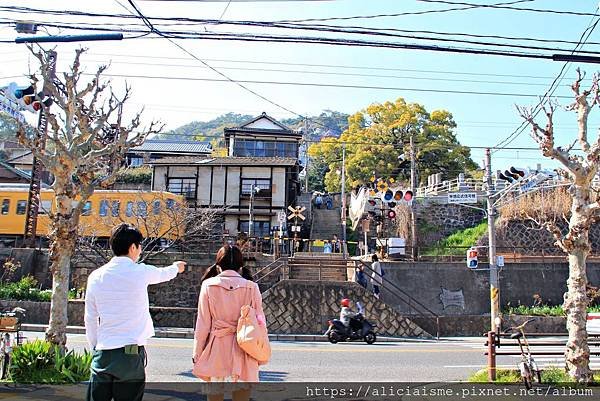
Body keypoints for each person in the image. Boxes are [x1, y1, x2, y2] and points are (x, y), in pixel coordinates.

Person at [85, 223, 186, 401]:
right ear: (133, 247)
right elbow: (163, 274)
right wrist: (177, 267)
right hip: (130, 355)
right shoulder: (140, 272)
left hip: (103, 353)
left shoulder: (95, 276)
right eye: (139, 246)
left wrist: (95, 346)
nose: (140, 251)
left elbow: (90, 318)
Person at [192, 245, 265, 401]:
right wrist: (260, 352)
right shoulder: (252, 287)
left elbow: (203, 324)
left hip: (216, 348)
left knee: (214, 397)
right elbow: (260, 323)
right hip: (245, 349)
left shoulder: (208, 285)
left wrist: (197, 352)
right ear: (240, 267)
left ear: (218, 266)